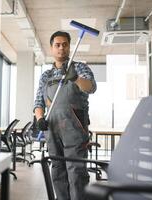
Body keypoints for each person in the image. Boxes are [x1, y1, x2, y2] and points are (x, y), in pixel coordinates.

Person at [33, 31, 97, 200]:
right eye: (57, 45)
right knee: (58, 170)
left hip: (75, 128)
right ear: (52, 48)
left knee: (76, 172)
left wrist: (75, 78)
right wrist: (40, 119)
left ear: (69, 47)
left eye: (65, 44)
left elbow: (90, 87)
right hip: (52, 128)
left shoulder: (79, 68)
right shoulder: (46, 75)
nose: (61, 48)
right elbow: (38, 103)